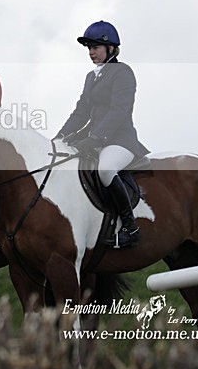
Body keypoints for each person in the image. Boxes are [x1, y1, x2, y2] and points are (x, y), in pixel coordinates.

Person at [56, 20, 149, 249]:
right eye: (89, 48)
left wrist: (96, 138)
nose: (91, 52)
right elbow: (81, 112)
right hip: (94, 139)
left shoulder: (123, 73)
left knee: (105, 170)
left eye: (95, 47)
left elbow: (119, 110)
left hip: (120, 140)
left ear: (111, 48)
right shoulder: (92, 77)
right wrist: (59, 138)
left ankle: (130, 227)